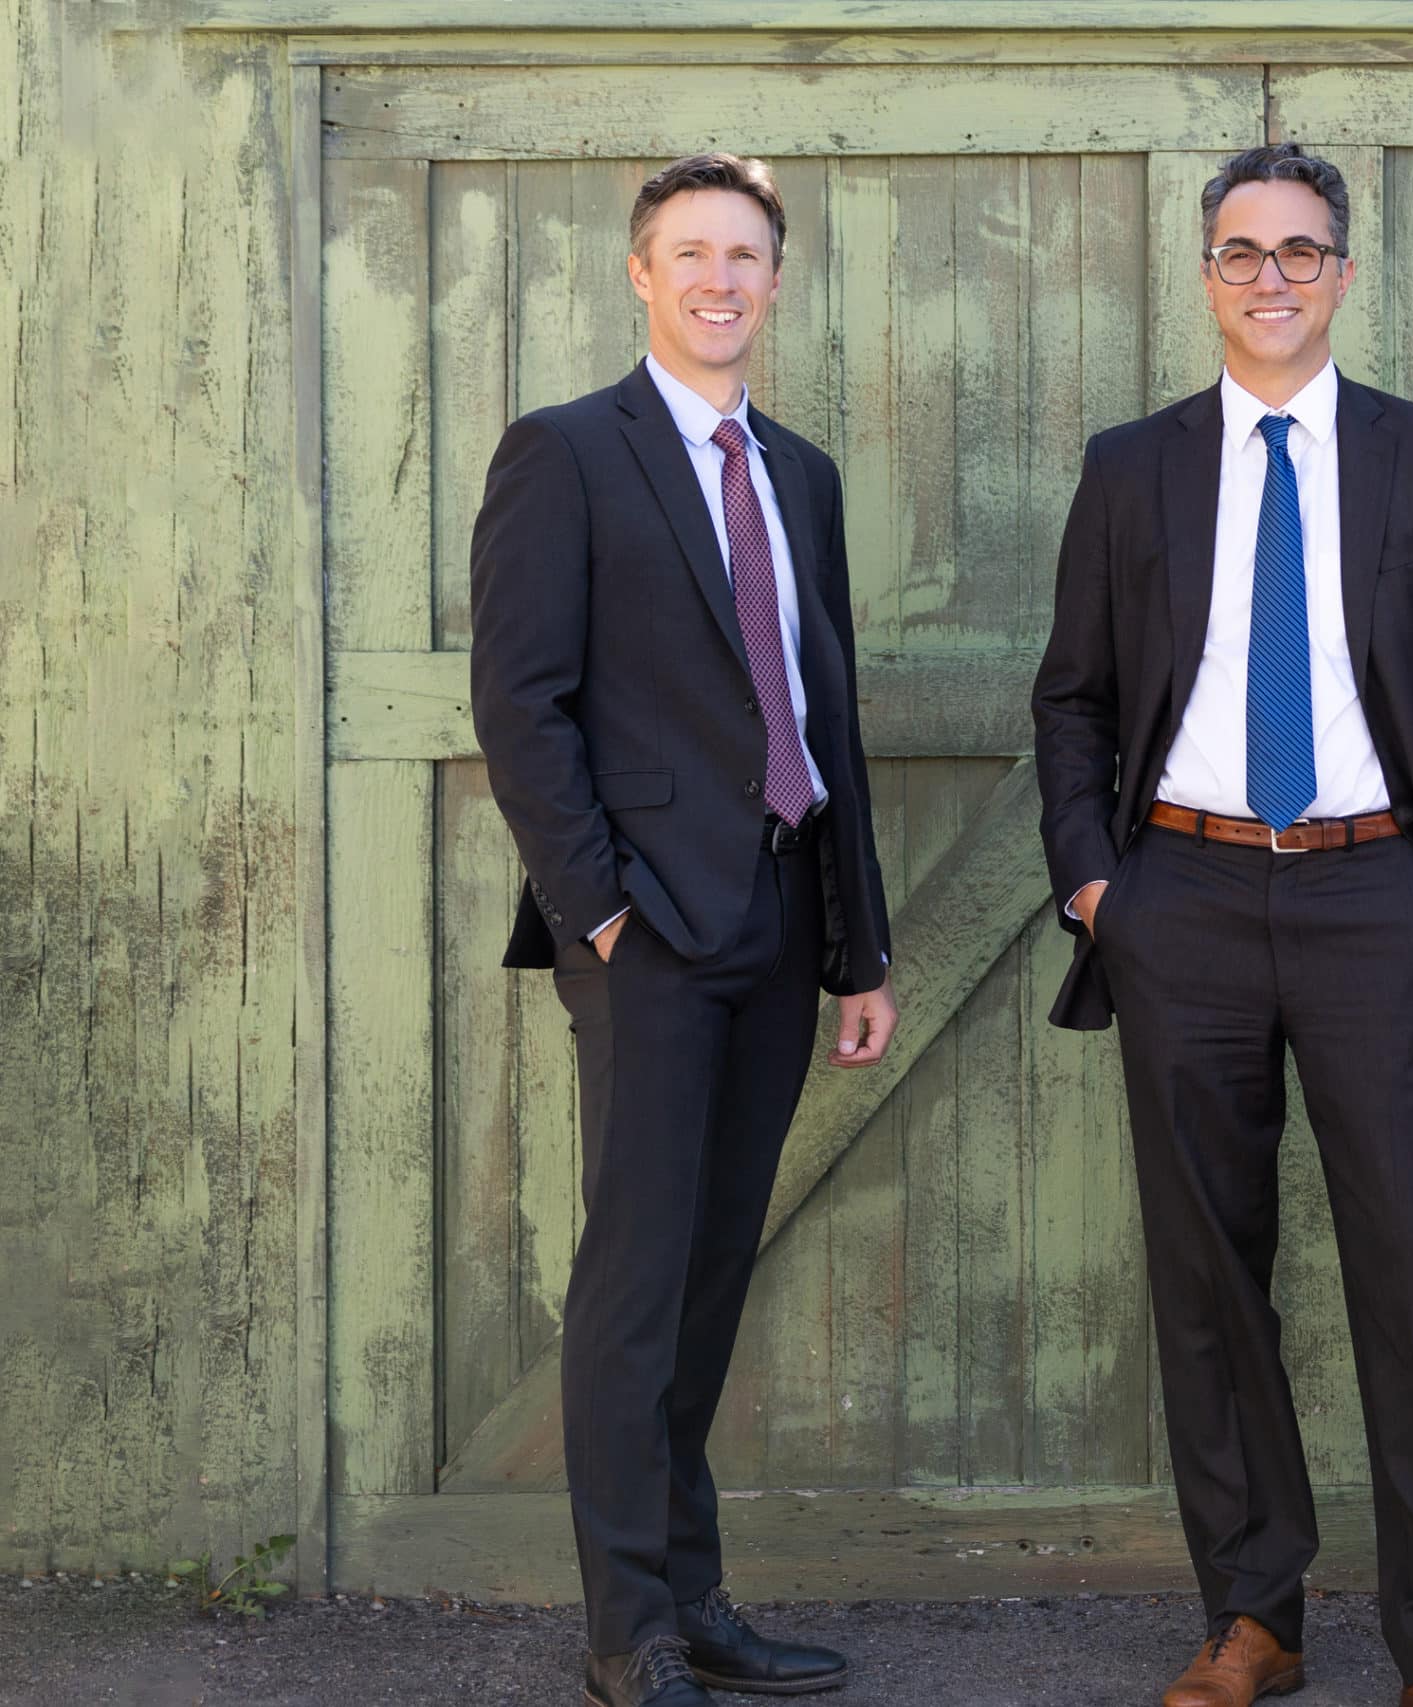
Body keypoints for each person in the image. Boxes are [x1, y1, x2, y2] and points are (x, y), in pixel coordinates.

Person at [1030, 142, 1413, 1707]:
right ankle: (1253, 1616)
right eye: (1242, 252)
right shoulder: (1134, 467)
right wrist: (1098, 883)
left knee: (1411, 1270)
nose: (1270, 277)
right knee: (1205, 1274)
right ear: (1205, 276)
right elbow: (1074, 701)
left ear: (1345, 273)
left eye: (1300, 251)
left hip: (1375, 895)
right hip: (1177, 895)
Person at [469, 152, 899, 1707]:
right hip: (647, 932)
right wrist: (597, 914)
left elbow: (820, 712)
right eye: (690, 252)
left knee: (715, 1269)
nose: (720, 277)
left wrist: (860, 944)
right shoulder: (568, 453)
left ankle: (698, 1599)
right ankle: (626, 1627)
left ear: (775, 283)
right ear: (640, 275)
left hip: (785, 919)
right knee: (639, 1278)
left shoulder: (802, 473)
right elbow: (522, 705)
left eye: (746, 256)